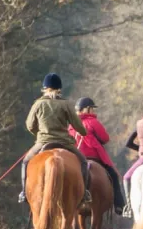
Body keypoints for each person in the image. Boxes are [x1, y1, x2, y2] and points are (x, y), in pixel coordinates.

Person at [19, 73, 92, 205]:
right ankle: (84, 193)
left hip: (43, 141)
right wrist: (83, 132)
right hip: (64, 142)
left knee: (25, 162)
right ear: (59, 89)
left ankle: (24, 193)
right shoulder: (66, 104)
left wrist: (39, 134)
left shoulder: (38, 104)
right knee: (83, 162)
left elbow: (29, 125)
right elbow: (78, 126)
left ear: (44, 88)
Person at [68, 97, 125, 215]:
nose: (93, 111)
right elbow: (105, 138)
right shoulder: (92, 121)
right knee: (113, 176)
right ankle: (119, 205)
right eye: (92, 109)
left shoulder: (71, 125)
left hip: (76, 158)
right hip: (94, 157)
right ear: (86, 109)